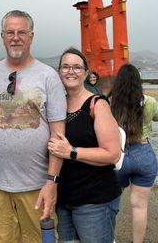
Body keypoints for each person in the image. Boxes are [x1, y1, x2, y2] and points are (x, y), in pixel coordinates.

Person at [0, 10, 66, 243]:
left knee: (38, 238)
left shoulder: (48, 76)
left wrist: (52, 182)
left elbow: (59, 136)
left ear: (31, 36)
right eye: (10, 32)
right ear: (2, 36)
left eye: (21, 32)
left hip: (36, 185)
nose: (15, 37)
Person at [48, 47, 121, 243]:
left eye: (77, 67)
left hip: (95, 198)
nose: (70, 71)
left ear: (86, 73)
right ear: (58, 72)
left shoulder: (97, 104)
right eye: (65, 67)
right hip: (64, 198)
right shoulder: (56, 105)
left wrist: (71, 152)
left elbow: (112, 154)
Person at [109, 63, 158, 243]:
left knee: (110, 204)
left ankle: (111, 239)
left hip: (118, 154)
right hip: (144, 152)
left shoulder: (110, 103)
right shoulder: (150, 101)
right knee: (140, 207)